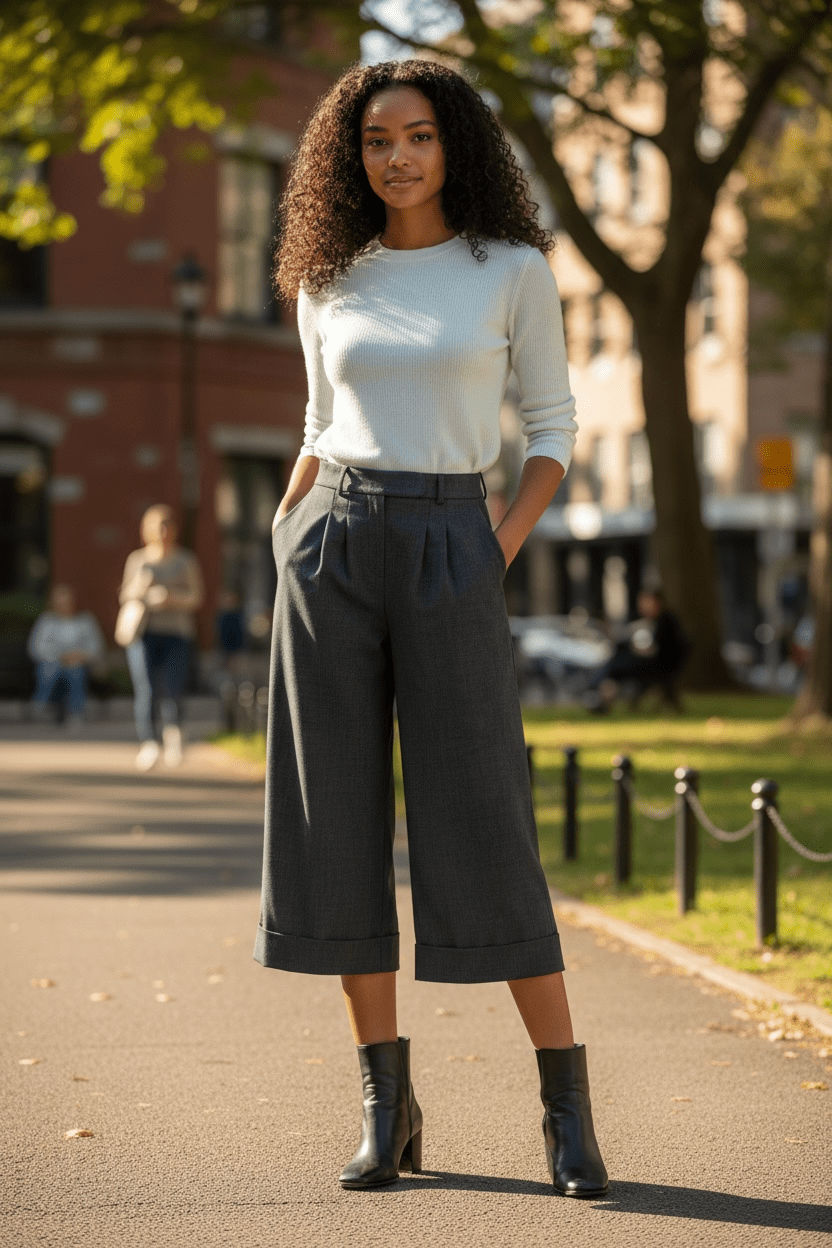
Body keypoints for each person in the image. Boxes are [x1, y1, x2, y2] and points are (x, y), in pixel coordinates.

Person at [256, 60, 608, 1197]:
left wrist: (491, 550)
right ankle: (384, 1102)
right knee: (335, 822)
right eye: (372, 139)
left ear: (454, 142)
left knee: (481, 816)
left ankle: (564, 1106)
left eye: (416, 134)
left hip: (455, 535)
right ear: (347, 155)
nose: (395, 156)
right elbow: (318, 415)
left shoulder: (509, 269)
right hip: (332, 545)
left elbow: (550, 429)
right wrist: (289, 527)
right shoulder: (328, 275)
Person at [119, 505, 204, 771]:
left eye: (168, 526)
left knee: (173, 687)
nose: (164, 532)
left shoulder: (185, 560)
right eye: (159, 527)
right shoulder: (138, 560)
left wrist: (172, 599)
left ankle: (174, 735)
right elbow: (125, 595)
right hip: (144, 632)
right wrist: (142, 589)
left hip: (177, 633)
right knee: (145, 689)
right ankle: (149, 742)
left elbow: (196, 597)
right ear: (148, 531)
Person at [586, 588, 689, 711]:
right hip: (654, 664)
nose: (643, 607)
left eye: (647, 602)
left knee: (616, 665)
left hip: (658, 666)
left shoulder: (665, 621)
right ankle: (600, 697)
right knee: (616, 661)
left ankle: (599, 697)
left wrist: (638, 650)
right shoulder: (653, 621)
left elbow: (660, 650)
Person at [27, 584, 104, 730]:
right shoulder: (46, 621)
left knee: (75, 671)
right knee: (51, 668)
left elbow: (96, 648)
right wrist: (60, 656)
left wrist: (80, 656)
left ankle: (75, 713)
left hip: (79, 664)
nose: (65, 605)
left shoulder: (86, 621)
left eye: (68, 601)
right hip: (52, 664)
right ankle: (41, 706)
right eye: (61, 602)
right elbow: (36, 648)